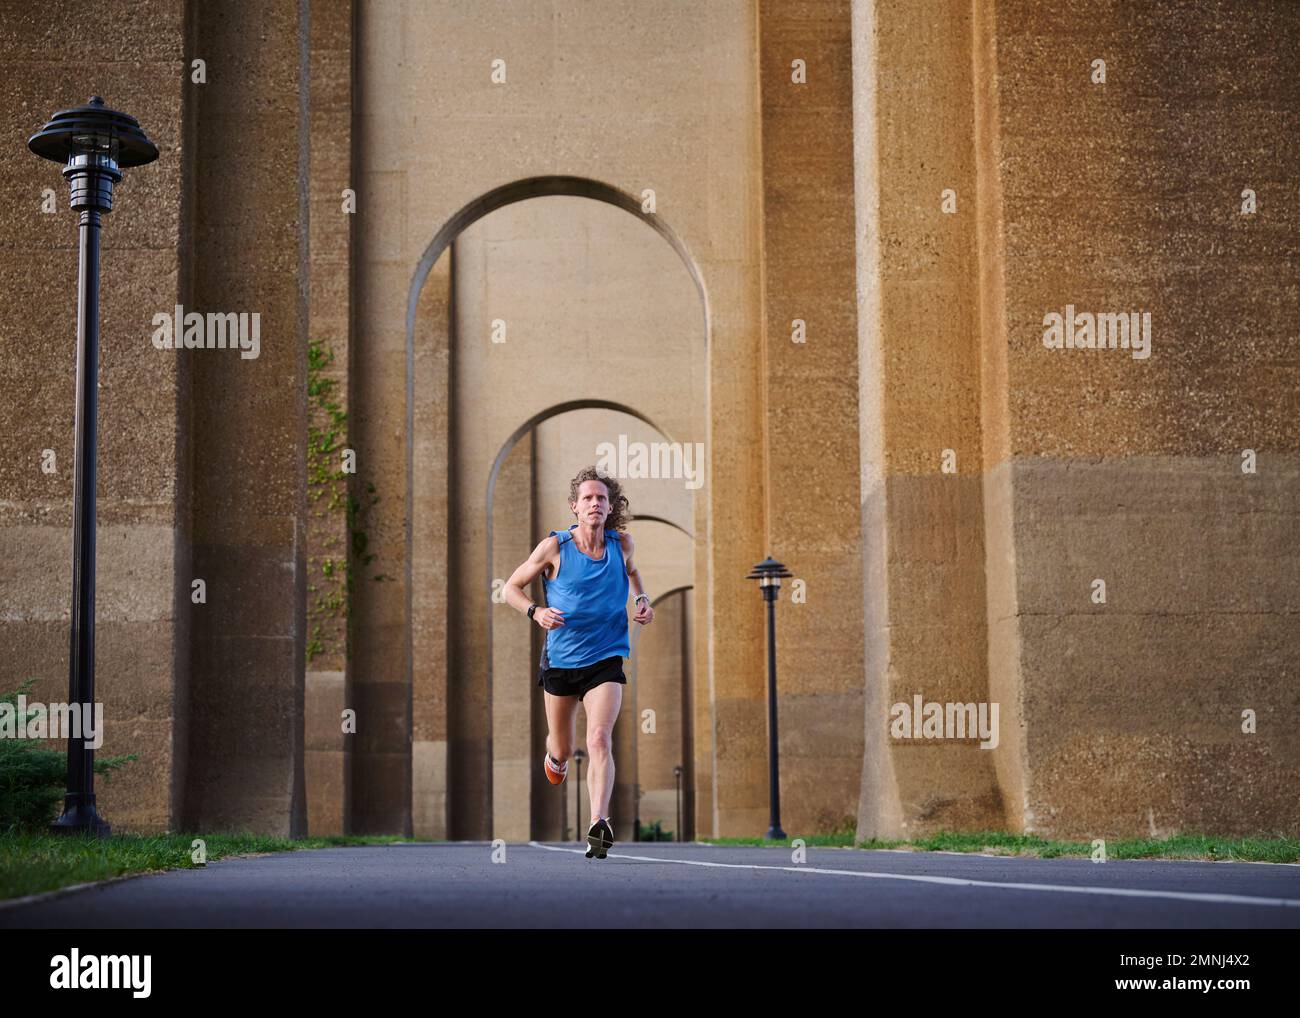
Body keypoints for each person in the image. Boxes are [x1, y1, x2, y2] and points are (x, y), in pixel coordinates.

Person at [503, 466, 654, 859]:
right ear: (575, 506)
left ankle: (598, 822)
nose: (595, 504)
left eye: (601, 498)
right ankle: (555, 757)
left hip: (606, 655)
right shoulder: (554, 547)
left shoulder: (622, 544)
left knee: (599, 738)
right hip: (561, 658)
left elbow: (634, 574)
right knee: (564, 747)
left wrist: (641, 600)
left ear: (609, 506)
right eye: (587, 498)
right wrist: (536, 612)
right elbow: (510, 588)